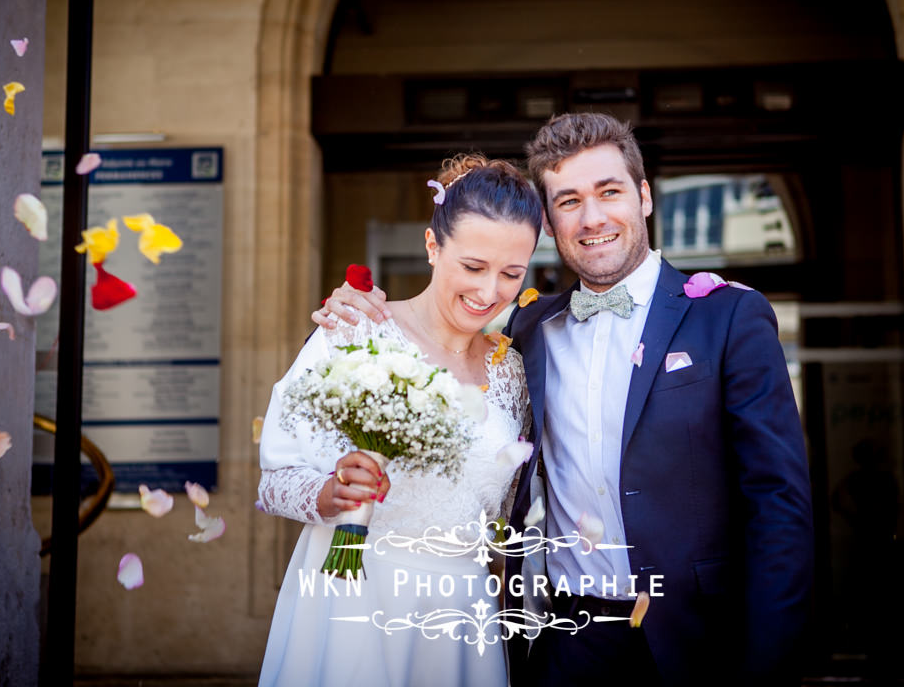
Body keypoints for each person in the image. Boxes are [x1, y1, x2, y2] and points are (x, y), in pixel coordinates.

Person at [318, 113, 815, 686]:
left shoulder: (728, 317)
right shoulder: (527, 328)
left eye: (610, 192)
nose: (593, 217)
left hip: (701, 640)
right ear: (550, 223)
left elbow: (779, 503)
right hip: (567, 643)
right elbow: (441, 328)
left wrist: (770, 662)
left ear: (644, 197)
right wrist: (360, 315)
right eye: (569, 201)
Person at [257, 154, 541, 687]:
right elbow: (274, 482)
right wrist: (332, 494)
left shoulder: (514, 373)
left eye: (511, 274)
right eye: (474, 267)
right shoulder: (354, 330)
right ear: (433, 247)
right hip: (355, 596)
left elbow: (505, 519)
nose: (489, 292)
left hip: (462, 611)